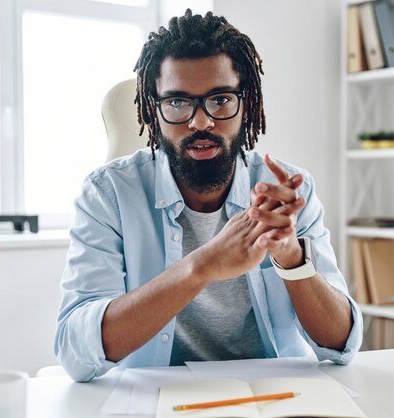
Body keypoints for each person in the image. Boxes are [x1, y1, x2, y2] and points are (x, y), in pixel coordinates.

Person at [55, 9, 363, 383]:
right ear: (154, 111)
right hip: (157, 399)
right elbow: (75, 351)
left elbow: (342, 345)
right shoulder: (108, 193)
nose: (200, 122)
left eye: (219, 100)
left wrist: (291, 256)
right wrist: (200, 267)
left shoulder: (288, 191)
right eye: (178, 103)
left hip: (275, 395)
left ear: (245, 103)